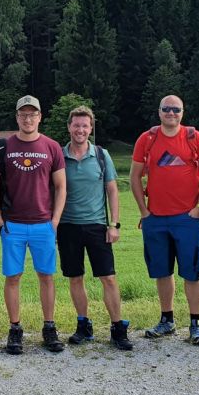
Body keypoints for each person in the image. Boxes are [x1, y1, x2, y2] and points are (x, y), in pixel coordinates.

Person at [129, 95, 199, 345]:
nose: (171, 113)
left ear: (182, 112)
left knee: (192, 272)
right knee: (162, 272)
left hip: (186, 218)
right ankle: (167, 320)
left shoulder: (194, 137)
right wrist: (144, 211)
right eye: (166, 109)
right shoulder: (147, 139)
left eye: (176, 109)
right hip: (155, 218)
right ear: (159, 112)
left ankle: (196, 323)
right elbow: (134, 177)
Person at [0, 95, 66, 354]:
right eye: (23, 114)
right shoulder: (3, 146)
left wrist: (54, 221)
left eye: (33, 114)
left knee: (46, 276)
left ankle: (49, 327)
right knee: (13, 277)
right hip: (13, 225)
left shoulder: (52, 146)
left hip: (43, 223)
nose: (28, 118)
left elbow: (61, 187)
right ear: (17, 117)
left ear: (40, 117)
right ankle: (15, 329)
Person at [58, 106, 133, 350]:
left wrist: (114, 224)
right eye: (76, 125)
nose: (80, 130)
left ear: (91, 128)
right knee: (75, 278)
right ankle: (83, 325)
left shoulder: (101, 155)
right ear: (69, 126)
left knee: (108, 278)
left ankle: (117, 327)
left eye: (85, 126)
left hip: (98, 226)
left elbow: (112, 190)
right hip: (68, 226)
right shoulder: (58, 155)